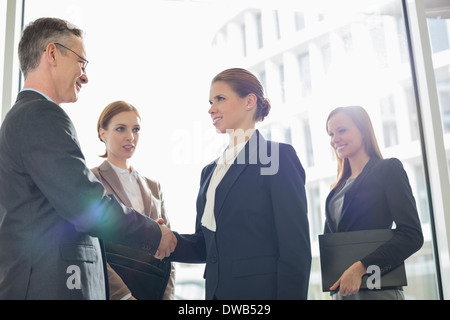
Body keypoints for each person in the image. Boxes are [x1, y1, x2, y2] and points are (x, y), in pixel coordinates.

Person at [0, 17, 176, 300]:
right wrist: (153, 235)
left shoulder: (26, 117)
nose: (85, 76)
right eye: (82, 62)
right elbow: (87, 206)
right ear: (53, 53)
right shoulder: (41, 116)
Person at [167, 68, 311, 300]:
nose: (211, 108)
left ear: (249, 101)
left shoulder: (277, 157)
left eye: (220, 99)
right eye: (211, 101)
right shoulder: (209, 172)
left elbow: (295, 249)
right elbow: (206, 245)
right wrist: (167, 240)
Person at [324, 105, 424, 300]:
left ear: (363, 131)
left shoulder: (388, 169)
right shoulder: (336, 189)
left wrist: (361, 268)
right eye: (331, 134)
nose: (335, 139)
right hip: (344, 294)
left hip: (377, 291)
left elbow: (412, 235)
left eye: (342, 130)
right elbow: (332, 244)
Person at [91, 101, 175, 300]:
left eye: (136, 129)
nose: (130, 137)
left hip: (153, 291)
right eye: (121, 129)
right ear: (103, 133)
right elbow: (93, 248)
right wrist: (124, 296)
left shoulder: (154, 187)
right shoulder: (90, 180)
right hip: (113, 293)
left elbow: (169, 251)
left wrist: (167, 297)